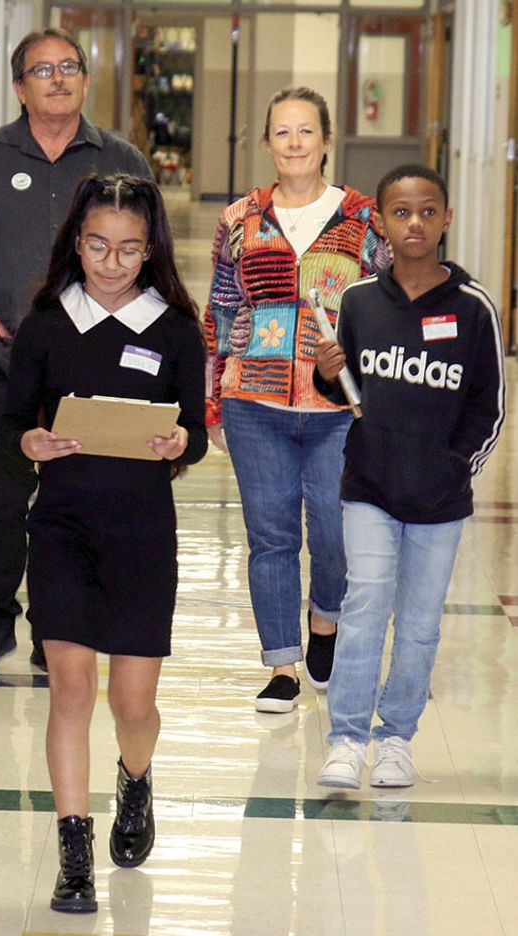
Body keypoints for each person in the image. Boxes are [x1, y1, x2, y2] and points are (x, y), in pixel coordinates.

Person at [1, 174, 206, 913]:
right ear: (75, 243)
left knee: (131, 701)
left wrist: (181, 440)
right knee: (71, 688)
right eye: (97, 245)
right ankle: (73, 851)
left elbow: (198, 436)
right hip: (62, 528)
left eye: (128, 248)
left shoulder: (176, 328)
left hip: (143, 534)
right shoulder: (50, 322)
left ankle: (135, 777)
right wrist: (32, 439)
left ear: (150, 249)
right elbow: (11, 424)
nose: (111, 262)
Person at [0, 27, 153, 675]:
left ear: (86, 80)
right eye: (42, 70)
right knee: (3, 492)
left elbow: (150, 249)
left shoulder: (122, 160)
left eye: (68, 67)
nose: (57, 79)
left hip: (94, 366)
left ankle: (58, 623)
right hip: (8, 362)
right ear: (19, 88)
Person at [314, 165, 505, 789]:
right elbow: (346, 391)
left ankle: (395, 737)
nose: (414, 223)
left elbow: (489, 405)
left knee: (420, 623)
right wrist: (325, 370)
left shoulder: (474, 309)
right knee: (365, 603)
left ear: (446, 219)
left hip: (440, 500)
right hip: (368, 486)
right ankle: (345, 738)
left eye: (428, 211)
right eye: (400, 212)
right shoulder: (359, 302)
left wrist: (454, 468)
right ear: (381, 223)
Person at [203, 86, 389, 713]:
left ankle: (325, 621)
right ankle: (281, 663)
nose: (294, 144)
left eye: (305, 131)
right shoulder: (239, 219)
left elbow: (391, 311)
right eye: (282, 133)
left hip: (337, 405)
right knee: (271, 534)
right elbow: (221, 310)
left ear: (326, 141)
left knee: (334, 531)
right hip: (254, 401)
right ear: (267, 143)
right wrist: (211, 399)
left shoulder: (364, 219)